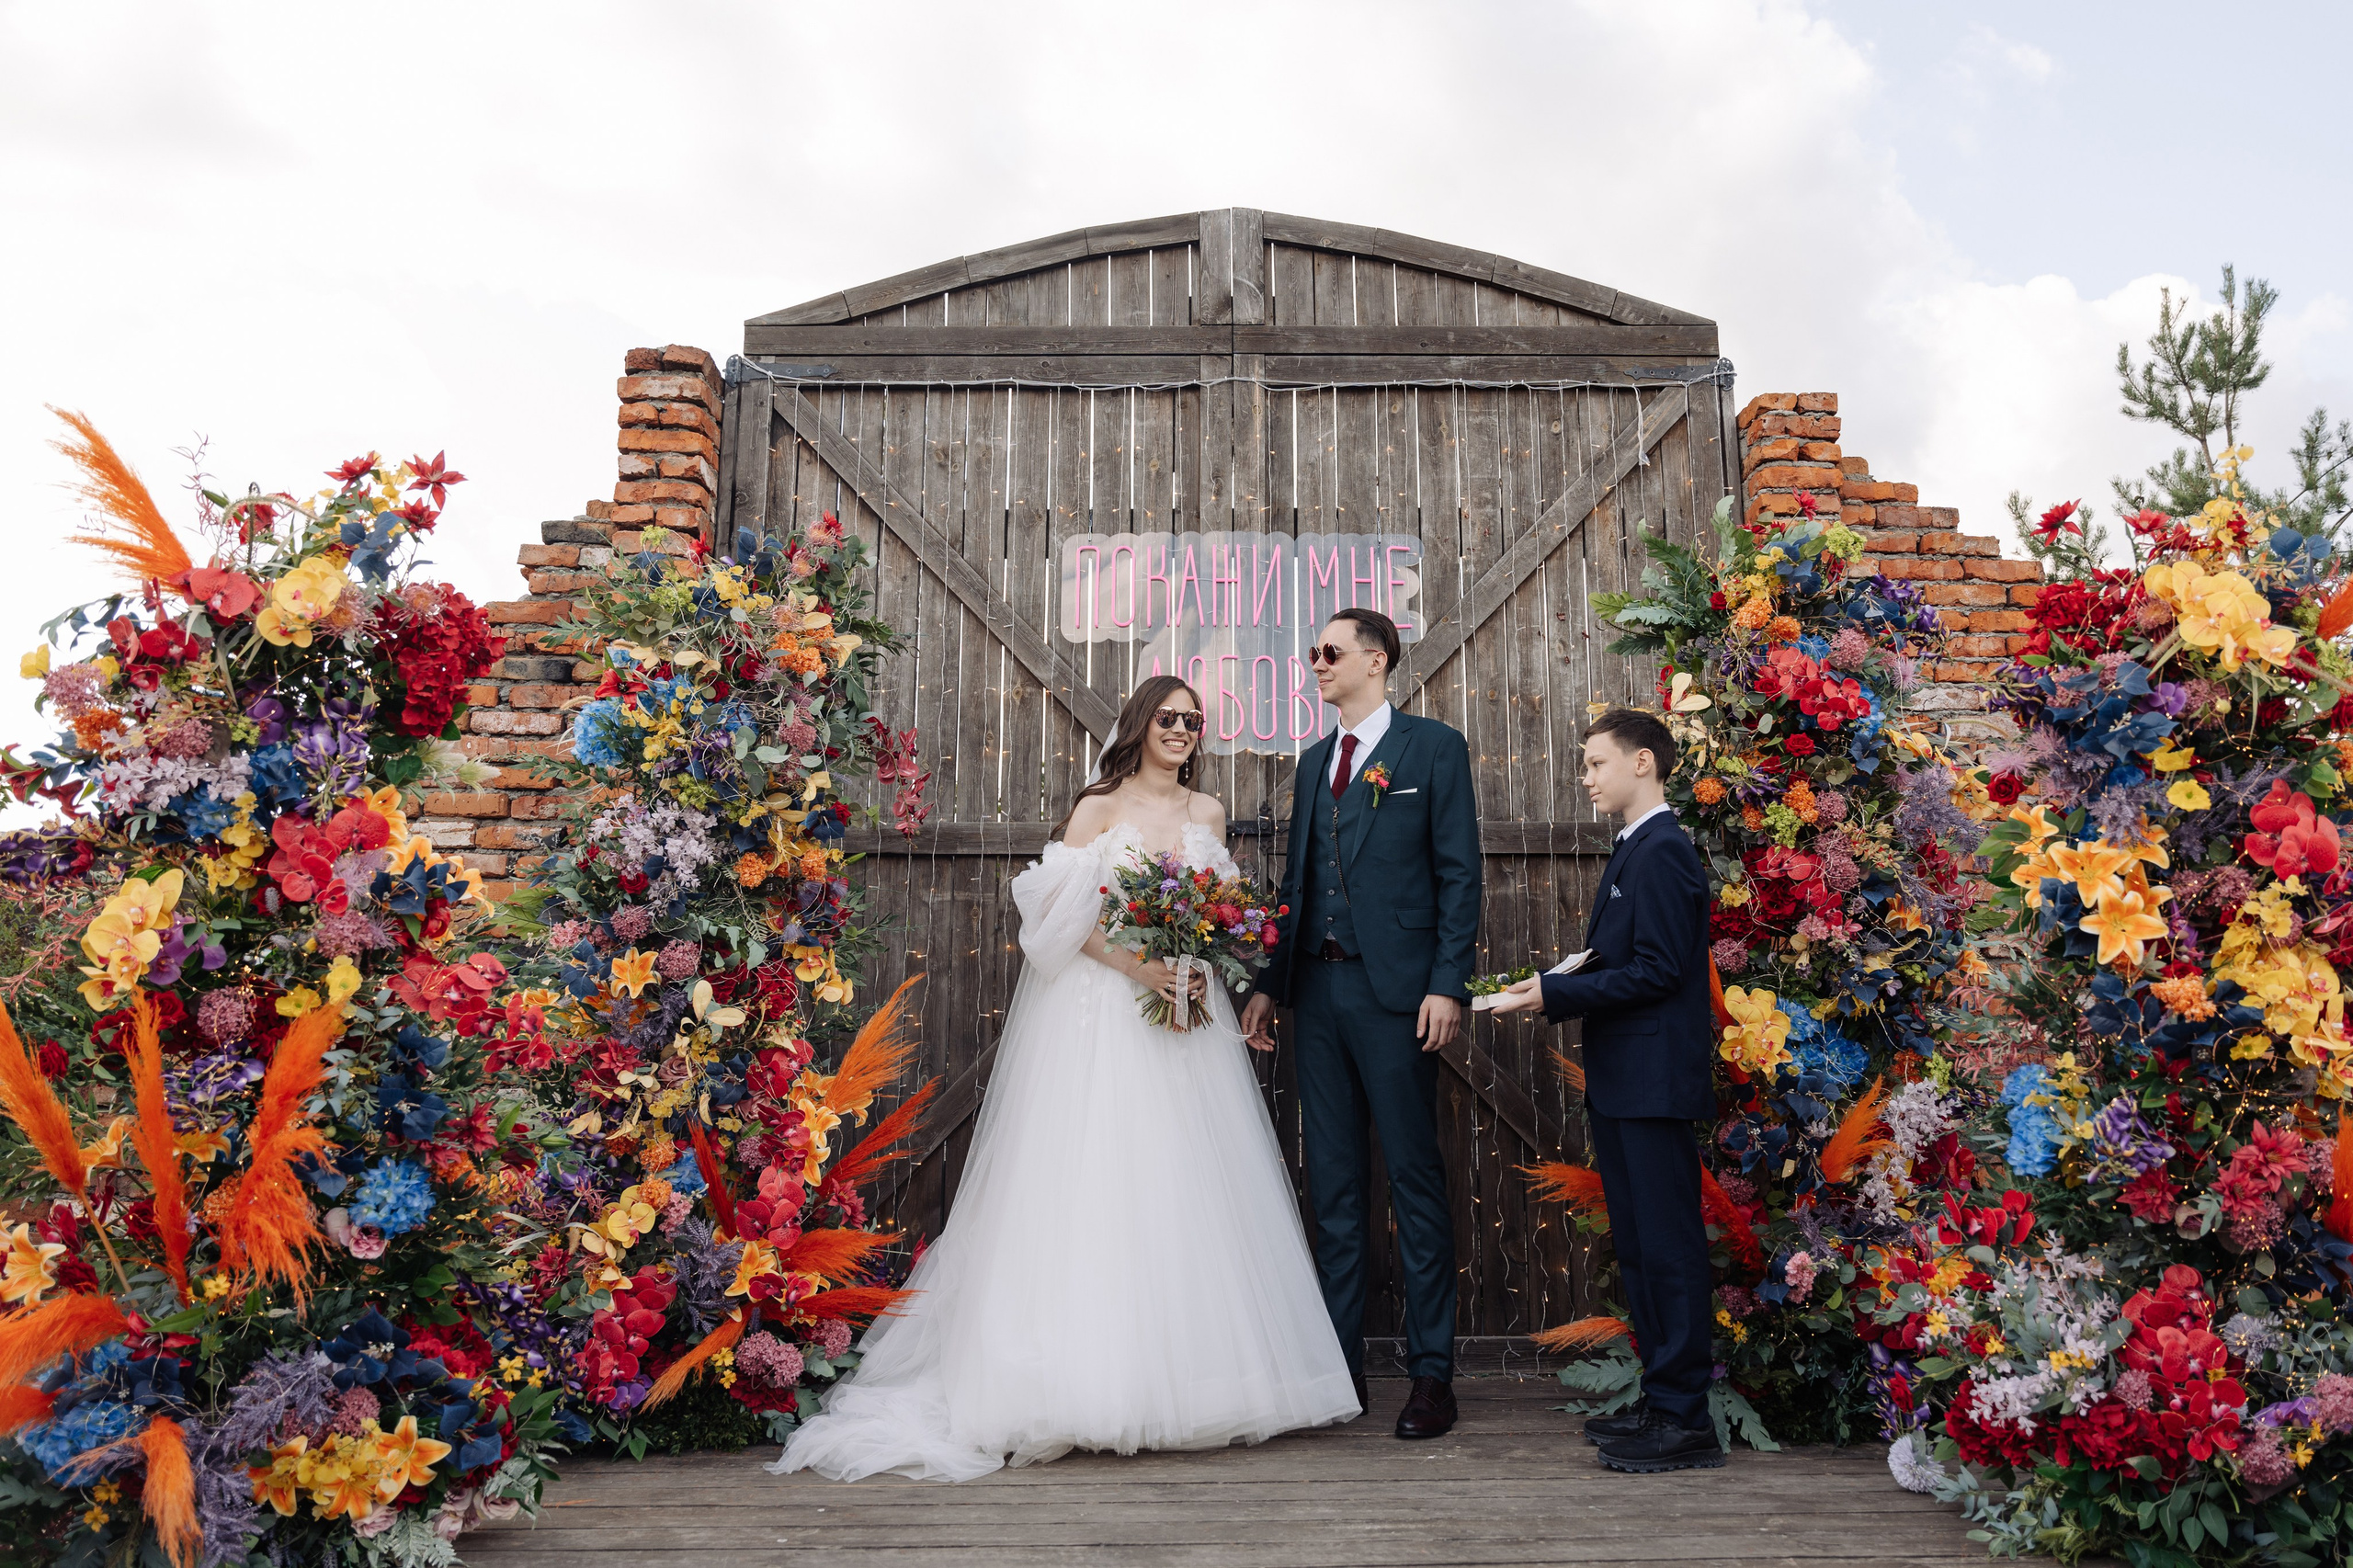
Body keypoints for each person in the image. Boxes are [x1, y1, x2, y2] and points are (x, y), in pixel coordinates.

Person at [773, 675, 1357, 1483]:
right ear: (1140, 724)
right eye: (1168, 718)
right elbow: (1056, 920)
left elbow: (1219, 914)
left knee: (1185, 1185)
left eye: (1194, 720)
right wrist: (1143, 970)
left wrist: (1193, 967)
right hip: (1106, 1011)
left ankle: (1188, 1382)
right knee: (1096, 1180)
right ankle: (1081, 1380)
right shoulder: (1101, 806)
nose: (1183, 730)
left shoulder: (1208, 815)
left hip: (1188, 1015)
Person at [1239, 608, 1482, 1441]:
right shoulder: (1313, 765)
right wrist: (1271, 985)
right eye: (1312, 653)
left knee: (1414, 1180)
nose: (1315, 664)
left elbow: (1460, 877)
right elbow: (1297, 885)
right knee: (1333, 1188)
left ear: (1375, 661)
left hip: (1400, 998)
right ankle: (1339, 1372)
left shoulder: (1433, 749)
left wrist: (1448, 985)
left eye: (1328, 652)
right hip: (1320, 994)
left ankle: (1430, 1377)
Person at [1484, 707, 1722, 1472]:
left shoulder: (1662, 852)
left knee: (1669, 1250)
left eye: (1595, 763)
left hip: (1652, 1083)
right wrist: (1549, 982)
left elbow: (1658, 970)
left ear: (1644, 763)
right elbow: (1618, 957)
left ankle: (1686, 1421)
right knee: (1645, 1253)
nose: (1585, 778)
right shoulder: (1636, 849)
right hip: (1628, 1084)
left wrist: (1553, 999)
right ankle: (1665, 1404)